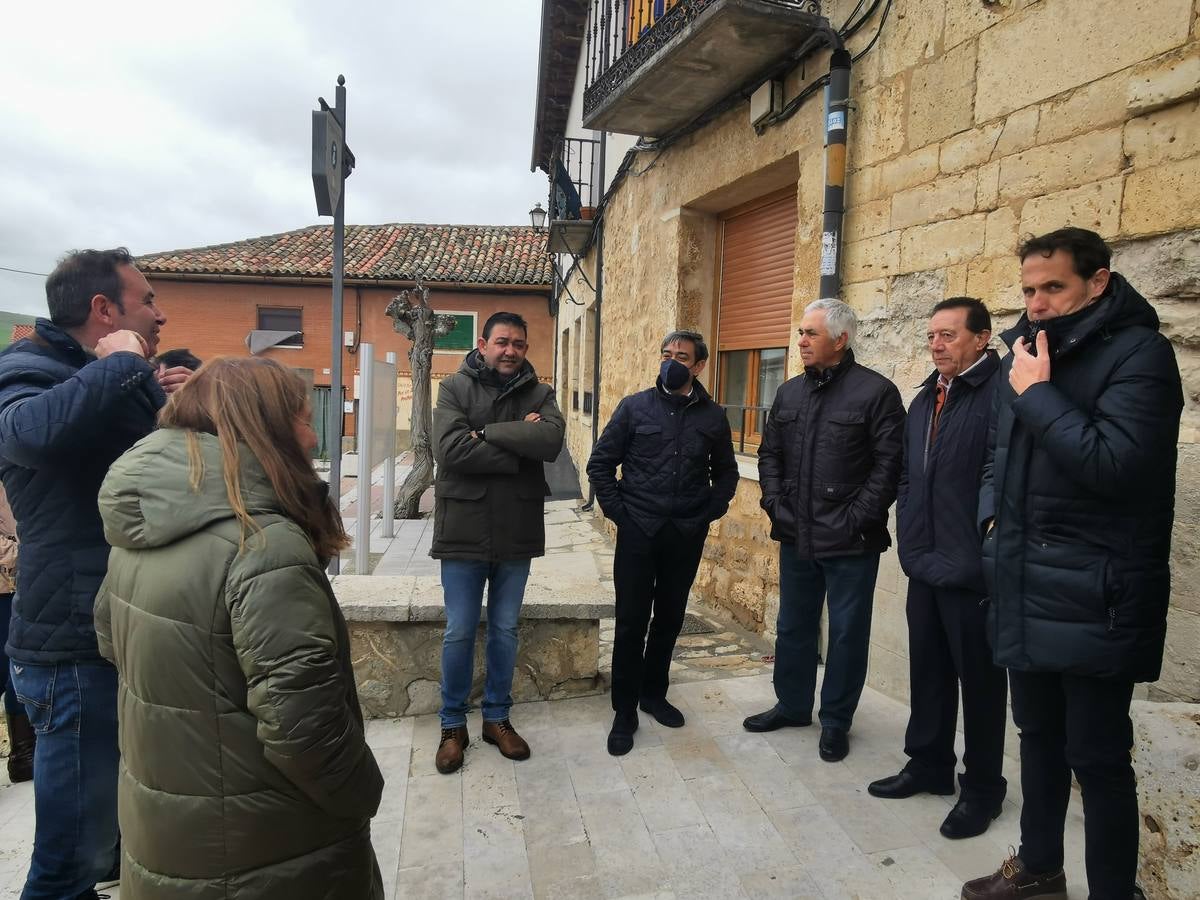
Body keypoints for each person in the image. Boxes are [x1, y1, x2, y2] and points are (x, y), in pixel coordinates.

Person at [94, 357, 385, 899]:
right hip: (268, 846)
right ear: (266, 426)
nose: (313, 432)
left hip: (168, 830)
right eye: (302, 416)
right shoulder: (263, 544)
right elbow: (305, 728)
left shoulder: (141, 529)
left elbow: (111, 643)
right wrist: (363, 792)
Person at [961, 228, 1180, 900]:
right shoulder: (1023, 356)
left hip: (1095, 594)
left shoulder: (1140, 354)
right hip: (1023, 580)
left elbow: (1115, 466)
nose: (1038, 303)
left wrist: (1037, 394)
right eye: (1029, 290)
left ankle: (1114, 892)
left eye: (1053, 287)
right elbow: (998, 457)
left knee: (1099, 759)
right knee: (1037, 739)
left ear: (1099, 281)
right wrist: (991, 521)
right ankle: (1038, 868)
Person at [0, 247, 191, 899]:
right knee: (69, 862)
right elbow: (27, 436)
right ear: (104, 309)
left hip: (113, 629)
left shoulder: (106, 372)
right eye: (148, 300)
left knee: (104, 846)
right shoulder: (27, 365)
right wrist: (118, 367)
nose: (160, 314)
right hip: (70, 647)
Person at [867, 297, 1009, 840]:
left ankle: (983, 789)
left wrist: (984, 546)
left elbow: (1005, 478)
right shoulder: (927, 396)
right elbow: (908, 474)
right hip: (924, 562)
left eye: (948, 335)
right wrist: (909, 536)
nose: (936, 344)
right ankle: (929, 765)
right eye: (931, 335)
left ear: (981, 338)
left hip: (972, 569)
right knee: (927, 672)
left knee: (980, 684)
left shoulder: (1002, 392)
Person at [743, 298, 905, 762]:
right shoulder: (790, 393)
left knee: (848, 633)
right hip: (797, 533)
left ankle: (836, 720)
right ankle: (793, 705)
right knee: (793, 625)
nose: (801, 342)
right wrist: (775, 503)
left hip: (852, 540)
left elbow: (889, 467)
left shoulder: (877, 393)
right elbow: (770, 455)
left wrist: (855, 519)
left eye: (811, 334)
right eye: (800, 332)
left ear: (841, 339)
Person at [586, 330, 739, 756]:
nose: (672, 362)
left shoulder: (713, 416)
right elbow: (600, 465)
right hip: (639, 532)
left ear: (699, 365)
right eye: (666, 354)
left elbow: (725, 473)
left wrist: (710, 510)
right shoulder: (635, 408)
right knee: (632, 621)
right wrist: (622, 516)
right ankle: (624, 710)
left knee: (669, 618)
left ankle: (654, 694)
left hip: (685, 534)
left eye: (682, 356)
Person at [431, 311, 564, 774]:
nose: (511, 351)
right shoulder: (453, 388)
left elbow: (549, 442)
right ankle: (452, 724)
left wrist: (484, 432)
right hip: (463, 528)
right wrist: (516, 445)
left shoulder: (540, 392)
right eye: (502, 342)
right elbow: (449, 450)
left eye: (519, 344)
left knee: (505, 629)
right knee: (460, 630)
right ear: (484, 344)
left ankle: (496, 718)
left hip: (516, 528)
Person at [0, 483, 34, 784]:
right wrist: (25, 550)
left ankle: (22, 756)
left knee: (16, 671)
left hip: (20, 588)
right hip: (6, 584)